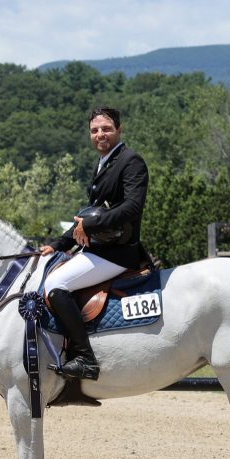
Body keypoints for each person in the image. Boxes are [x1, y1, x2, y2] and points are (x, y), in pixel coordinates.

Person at [40, 106, 149, 381]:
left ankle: (86, 359)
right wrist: (58, 244)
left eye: (106, 129)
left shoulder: (131, 161)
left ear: (119, 130)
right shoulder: (103, 163)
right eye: (95, 130)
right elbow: (90, 212)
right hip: (98, 248)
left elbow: (132, 208)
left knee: (55, 284)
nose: (100, 134)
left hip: (117, 253)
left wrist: (88, 225)